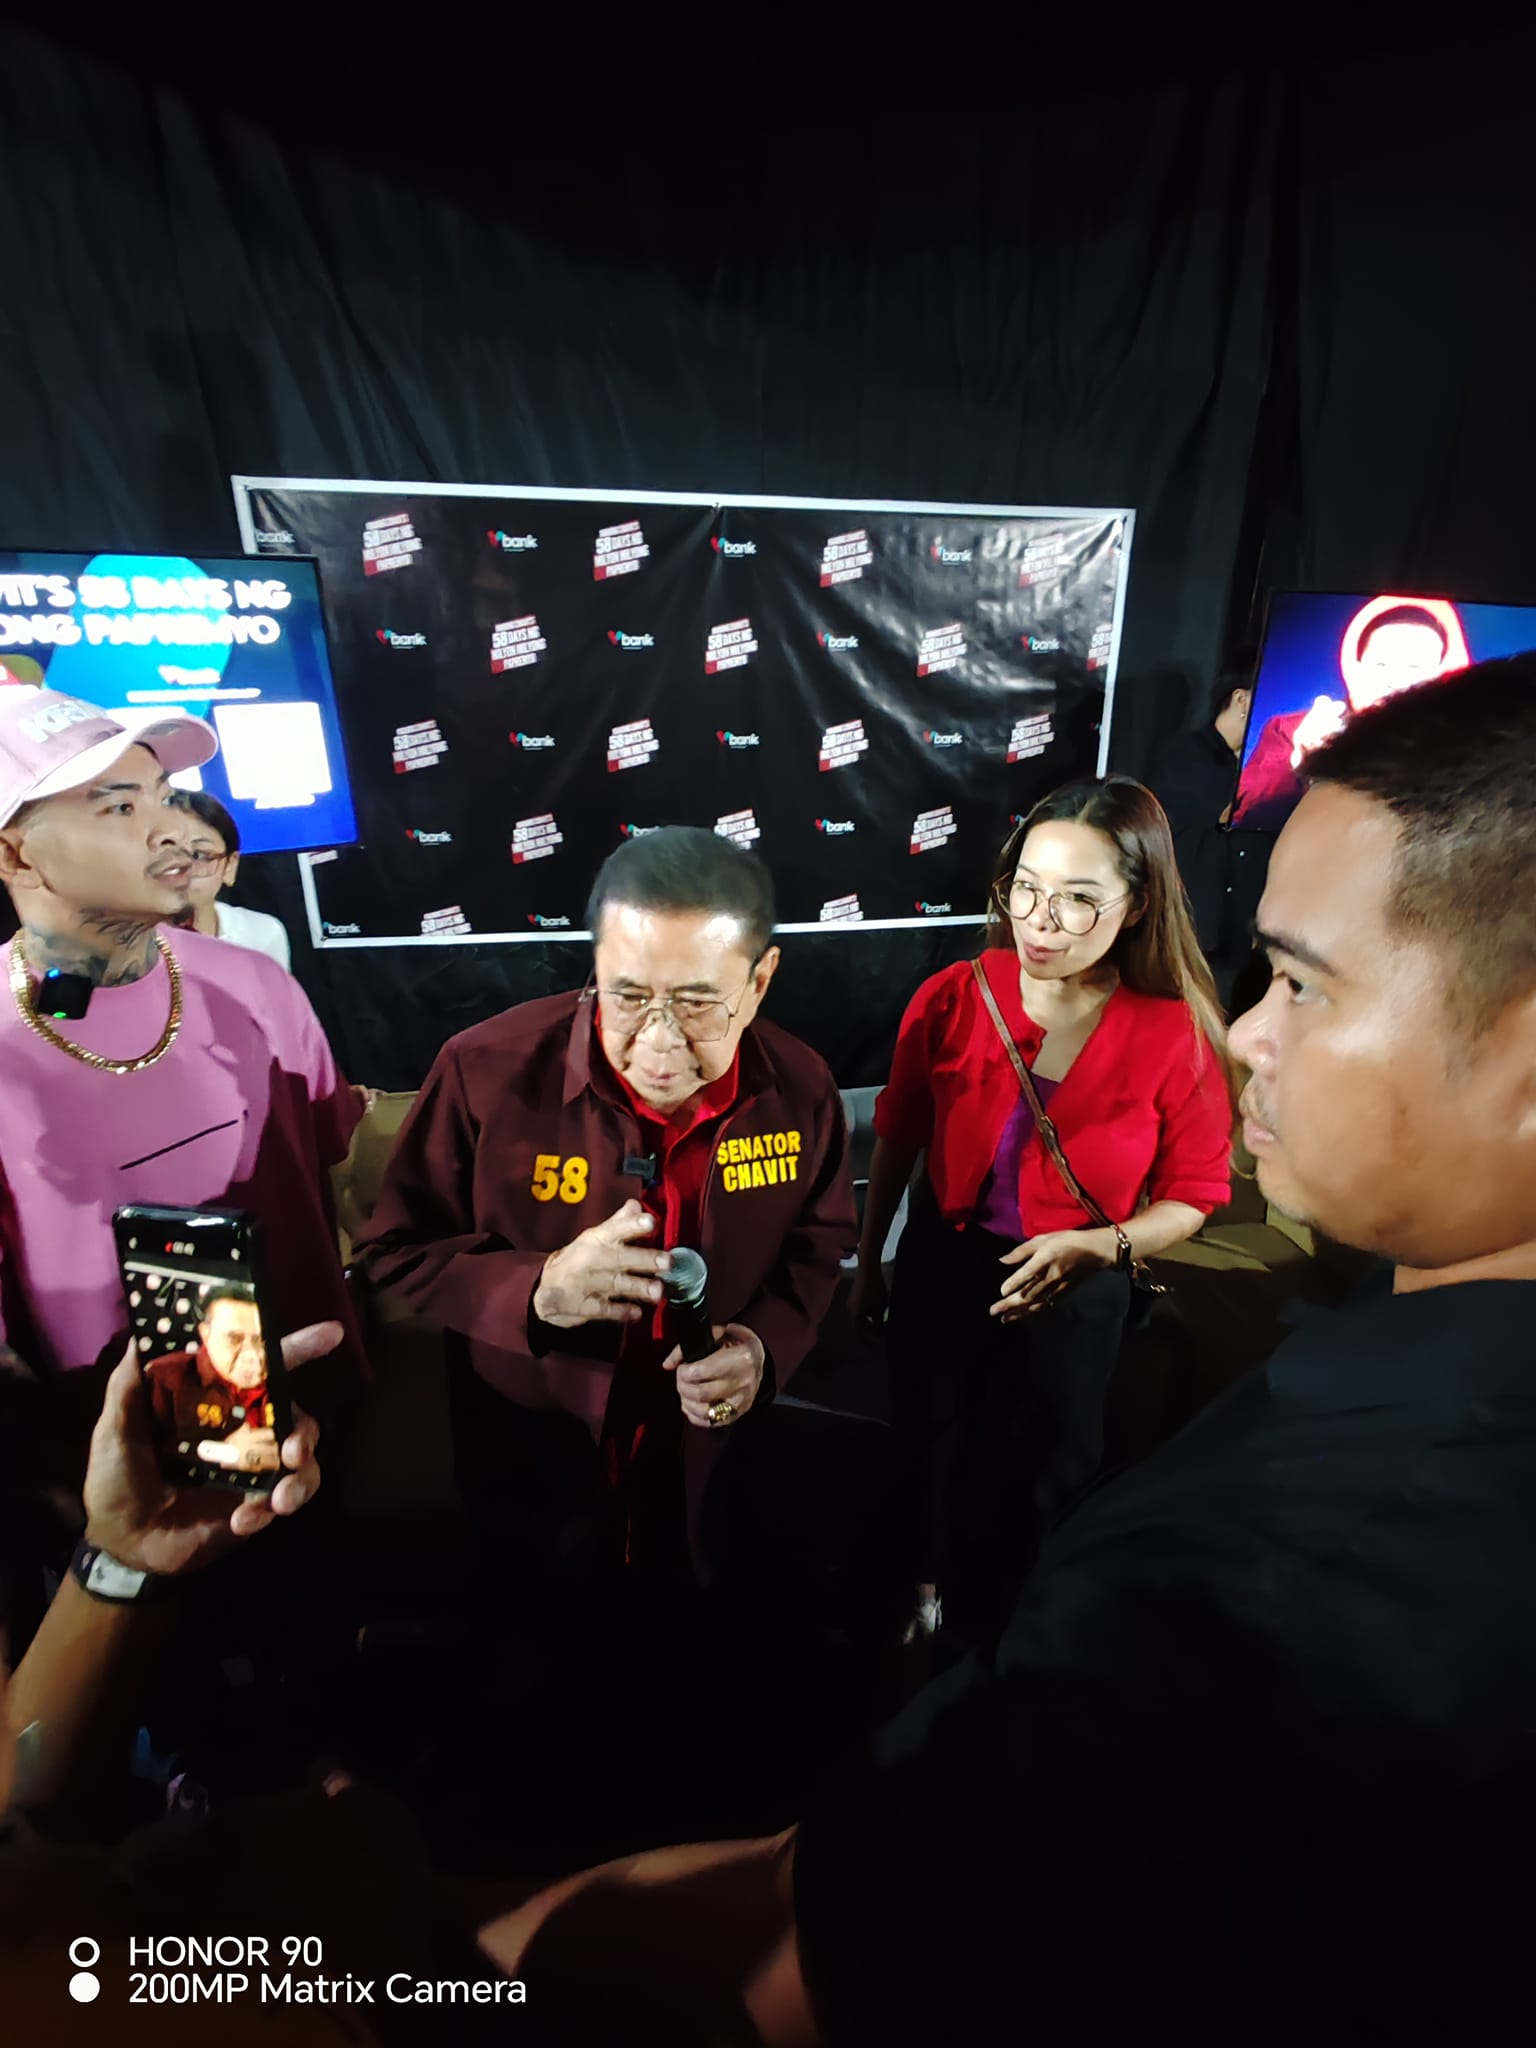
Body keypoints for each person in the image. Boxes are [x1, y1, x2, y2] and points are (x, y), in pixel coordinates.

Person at [478, 654, 1536, 2045]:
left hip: (1067, 1321)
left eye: (1300, 982)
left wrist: (451, 1957)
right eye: (630, 992)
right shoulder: (511, 1072)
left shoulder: (1269, 1578)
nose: (1254, 1036)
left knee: (1033, 1480)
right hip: (904, 1317)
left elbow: (829, 1951)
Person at [357, 825, 856, 1587]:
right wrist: (536, 1290)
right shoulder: (483, 1071)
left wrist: (764, 1347)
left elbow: (818, 1248)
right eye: (627, 997)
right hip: (531, 1440)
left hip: (711, 1444)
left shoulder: (802, 1086)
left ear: (759, 981)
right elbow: (394, 1250)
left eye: (697, 1003)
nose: (658, 1043)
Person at [853, 777, 1234, 1641]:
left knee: (1046, 1467)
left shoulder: (1174, 1033)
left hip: (1078, 1287)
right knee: (926, 1435)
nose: (1040, 922)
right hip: (945, 1265)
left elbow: (1196, 1195)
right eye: (1024, 889)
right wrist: (871, 1264)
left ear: (1138, 905)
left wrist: (1100, 1247)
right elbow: (899, 1137)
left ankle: (1019, 1621)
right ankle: (919, 1584)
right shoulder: (953, 994)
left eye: (1077, 900)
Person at [0, 685, 364, 1491]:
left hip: (316, 1411)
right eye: (118, 807)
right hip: (113, 1473)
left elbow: (329, 1160)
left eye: (163, 795)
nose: (170, 828)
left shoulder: (259, 986)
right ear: (15, 855)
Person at [1233, 594, 1470, 829]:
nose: (1396, 680)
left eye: (1414, 667)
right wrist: (1301, 765)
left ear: (1441, 672)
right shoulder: (1291, 731)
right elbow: (1247, 818)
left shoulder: (1464, 741)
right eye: (1381, 664)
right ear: (1357, 666)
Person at [1145, 670, 1251, 958]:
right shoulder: (1188, 753)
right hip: (1192, 927)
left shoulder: (1241, 759)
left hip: (1233, 927)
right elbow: (1232, 812)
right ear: (1241, 699)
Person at [145, 1285, 278, 1475]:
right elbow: (145, 1458)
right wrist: (227, 1454)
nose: (250, 1355)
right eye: (235, 1339)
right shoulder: (165, 1377)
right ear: (206, 1334)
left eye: (258, 1340)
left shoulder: (281, 1378)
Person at [171, 789, 293, 970]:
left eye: (199, 855)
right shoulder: (132, 949)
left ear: (230, 866)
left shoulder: (262, 935)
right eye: (165, 853)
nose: (179, 867)